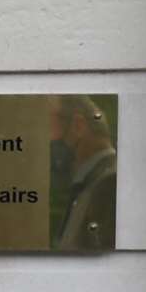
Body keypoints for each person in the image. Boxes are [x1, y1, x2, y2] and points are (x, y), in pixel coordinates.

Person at [49, 95, 116, 251]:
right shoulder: (86, 184)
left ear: (78, 126)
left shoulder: (110, 183)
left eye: (49, 128)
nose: (48, 141)